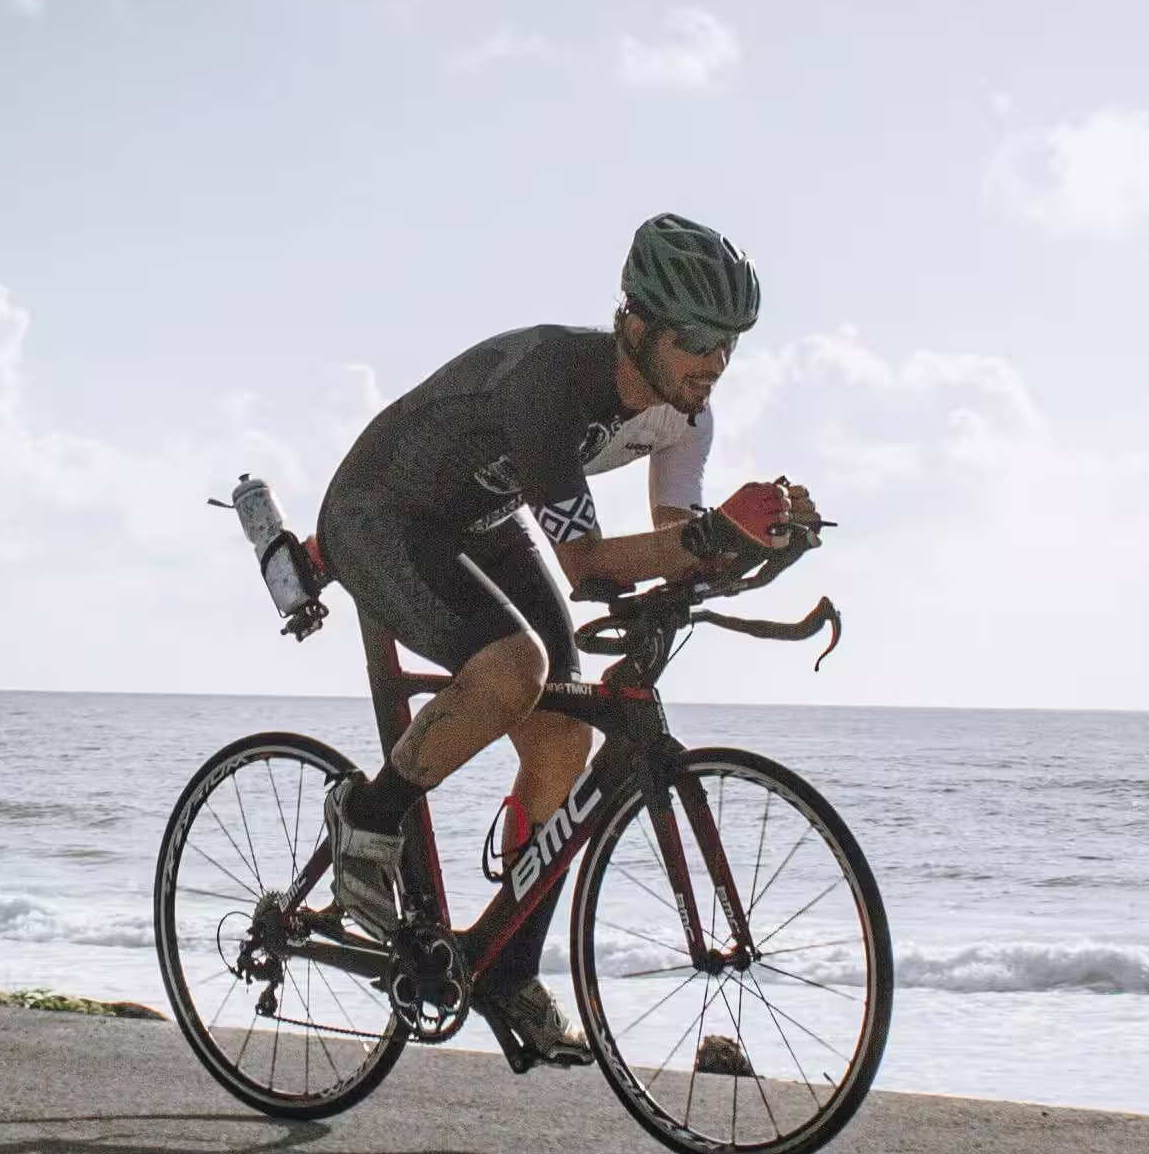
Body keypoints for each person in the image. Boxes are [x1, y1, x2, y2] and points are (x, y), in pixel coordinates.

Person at [311, 215, 815, 1067]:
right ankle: (367, 815)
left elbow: (667, 542)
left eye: (730, 342)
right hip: (381, 513)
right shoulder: (554, 378)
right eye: (697, 337)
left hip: (480, 521)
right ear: (637, 324)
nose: (715, 360)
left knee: (564, 737)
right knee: (514, 669)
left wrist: (745, 551)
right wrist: (710, 538)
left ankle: (506, 968)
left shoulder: (686, 418)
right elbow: (585, 565)